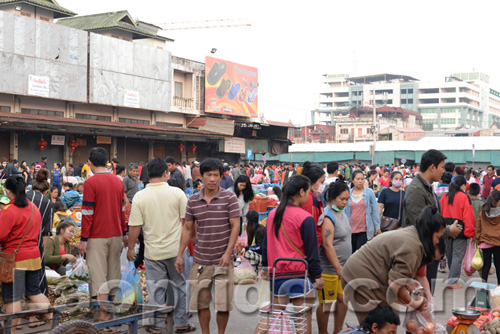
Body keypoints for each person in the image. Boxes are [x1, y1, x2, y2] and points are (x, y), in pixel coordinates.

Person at [342, 206, 445, 323]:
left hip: (369, 277)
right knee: (377, 326)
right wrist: (414, 304)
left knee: (389, 322)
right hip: (359, 277)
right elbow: (395, 285)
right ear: (429, 232)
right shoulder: (413, 247)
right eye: (438, 237)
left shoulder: (414, 235)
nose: (437, 241)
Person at [127, 158, 195, 333]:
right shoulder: (178, 194)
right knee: (180, 286)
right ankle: (181, 323)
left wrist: (130, 248)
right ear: (166, 173)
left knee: (156, 290)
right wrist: (191, 245)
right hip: (177, 251)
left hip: (153, 253)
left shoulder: (140, 196)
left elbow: (134, 226)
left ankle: (157, 326)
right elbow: (188, 224)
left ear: (148, 175)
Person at [175, 158, 240, 334]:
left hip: (223, 261)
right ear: (201, 177)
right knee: (201, 303)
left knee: (223, 304)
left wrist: (228, 253)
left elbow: (236, 226)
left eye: (216, 175)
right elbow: (187, 228)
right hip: (201, 260)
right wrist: (180, 254)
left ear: (221, 177)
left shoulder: (229, 198)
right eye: (208, 175)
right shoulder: (193, 201)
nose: (212, 179)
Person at [257, 175, 324, 334]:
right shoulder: (305, 217)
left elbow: (266, 244)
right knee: (303, 319)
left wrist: (265, 266)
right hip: (298, 273)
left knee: (273, 315)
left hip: (277, 274)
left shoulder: (273, 214)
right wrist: (318, 275)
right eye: (307, 192)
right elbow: (312, 251)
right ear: (301, 192)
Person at [403, 149, 461, 295]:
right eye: (441, 167)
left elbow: (431, 219)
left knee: (427, 296)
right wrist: (448, 231)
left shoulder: (428, 188)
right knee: (421, 297)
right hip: (421, 251)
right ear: (432, 167)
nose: (443, 171)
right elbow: (421, 224)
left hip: (429, 249)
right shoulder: (416, 190)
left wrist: (445, 227)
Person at [79, 147, 127, 322]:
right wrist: (125, 232)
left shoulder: (90, 183)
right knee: (113, 274)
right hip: (116, 234)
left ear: (90, 163)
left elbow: (87, 214)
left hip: (97, 237)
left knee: (99, 279)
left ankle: (103, 316)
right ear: (107, 162)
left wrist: (84, 239)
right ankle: (112, 314)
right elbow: (122, 210)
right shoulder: (118, 181)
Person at [0, 175, 52, 332]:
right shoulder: (33, 209)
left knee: (13, 297)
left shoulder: (9, 210)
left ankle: (12, 331)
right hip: (34, 258)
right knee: (34, 292)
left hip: (15, 259)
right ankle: (55, 320)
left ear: (8, 192)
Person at [317, 181, 351, 334]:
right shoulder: (328, 216)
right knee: (326, 303)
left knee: (343, 299)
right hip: (330, 269)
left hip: (343, 268)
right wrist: (337, 267)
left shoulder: (342, 213)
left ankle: (338, 329)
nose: (345, 202)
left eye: (347, 199)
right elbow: (327, 244)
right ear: (332, 198)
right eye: (341, 199)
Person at [440, 175, 476, 288]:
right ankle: (452, 281)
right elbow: (468, 216)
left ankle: (452, 278)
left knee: (450, 254)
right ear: (463, 185)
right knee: (457, 256)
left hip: (446, 228)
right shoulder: (464, 197)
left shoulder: (444, 196)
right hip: (460, 229)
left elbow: (439, 213)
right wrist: (470, 232)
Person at [26, 169, 53, 300]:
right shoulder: (47, 203)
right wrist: (41, 251)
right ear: (46, 191)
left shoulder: (24, 195)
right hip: (36, 244)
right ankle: (41, 314)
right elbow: (47, 231)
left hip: (18, 243)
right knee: (35, 284)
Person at [345, 170, 381, 252]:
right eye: (358, 179)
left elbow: (375, 210)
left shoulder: (369, 192)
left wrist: (377, 227)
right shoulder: (348, 193)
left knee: (360, 253)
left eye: (362, 179)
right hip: (350, 229)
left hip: (365, 229)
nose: (360, 181)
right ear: (352, 180)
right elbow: (344, 211)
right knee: (351, 253)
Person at [476, 190, 500, 284]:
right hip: (498, 243)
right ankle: (499, 286)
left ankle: (483, 285)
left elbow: (478, 227)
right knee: (498, 265)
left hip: (485, 243)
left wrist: (478, 240)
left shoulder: (483, 211)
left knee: (486, 265)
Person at [300, 161, 326, 247]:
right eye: (321, 182)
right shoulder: (310, 201)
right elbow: (310, 230)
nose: (323, 185)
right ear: (312, 182)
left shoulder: (307, 197)